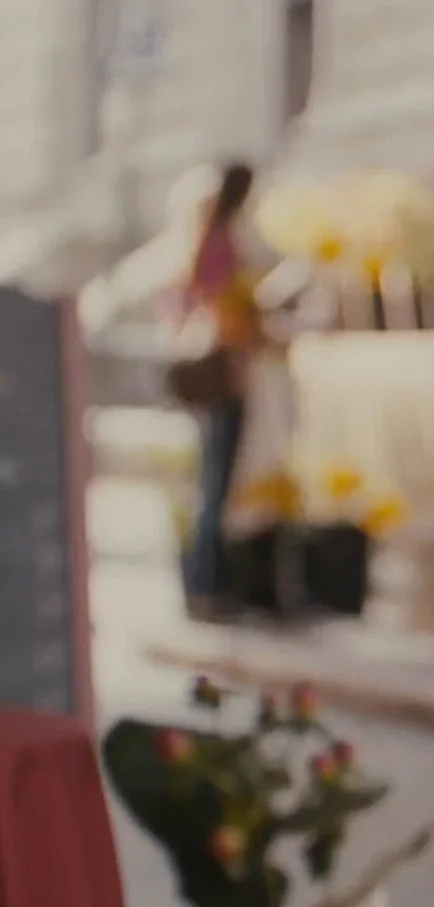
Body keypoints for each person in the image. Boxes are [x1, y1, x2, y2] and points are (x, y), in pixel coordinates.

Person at [179, 162, 261, 622]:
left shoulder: (210, 236)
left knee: (213, 486)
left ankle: (206, 584)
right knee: (215, 487)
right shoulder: (221, 241)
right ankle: (206, 585)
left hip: (223, 372)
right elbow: (219, 303)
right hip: (224, 374)